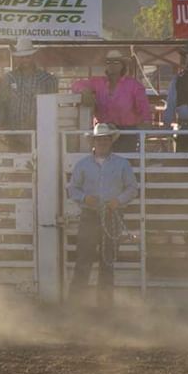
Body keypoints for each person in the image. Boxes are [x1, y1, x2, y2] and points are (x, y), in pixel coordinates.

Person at [66, 123, 139, 308]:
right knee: (84, 260)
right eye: (100, 139)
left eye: (106, 139)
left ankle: (104, 307)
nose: (103, 142)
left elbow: (132, 189)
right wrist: (85, 198)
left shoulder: (122, 164)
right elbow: (73, 189)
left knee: (107, 263)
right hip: (90, 215)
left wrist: (118, 201)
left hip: (112, 215)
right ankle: (75, 306)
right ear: (93, 141)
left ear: (111, 141)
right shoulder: (82, 165)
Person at [70, 49, 152, 152]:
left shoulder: (134, 85)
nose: (111, 65)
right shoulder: (98, 82)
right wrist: (84, 90)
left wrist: (146, 123)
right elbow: (76, 84)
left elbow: (144, 109)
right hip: (103, 132)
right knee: (102, 162)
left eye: (115, 62)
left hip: (126, 133)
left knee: (123, 162)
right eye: (108, 62)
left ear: (122, 65)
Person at [0, 36, 58, 149]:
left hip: (40, 133)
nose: (24, 60)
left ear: (33, 57)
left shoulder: (47, 79)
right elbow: (2, 103)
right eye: (21, 57)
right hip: (13, 134)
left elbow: (53, 108)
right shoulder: (10, 78)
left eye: (27, 57)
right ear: (17, 58)